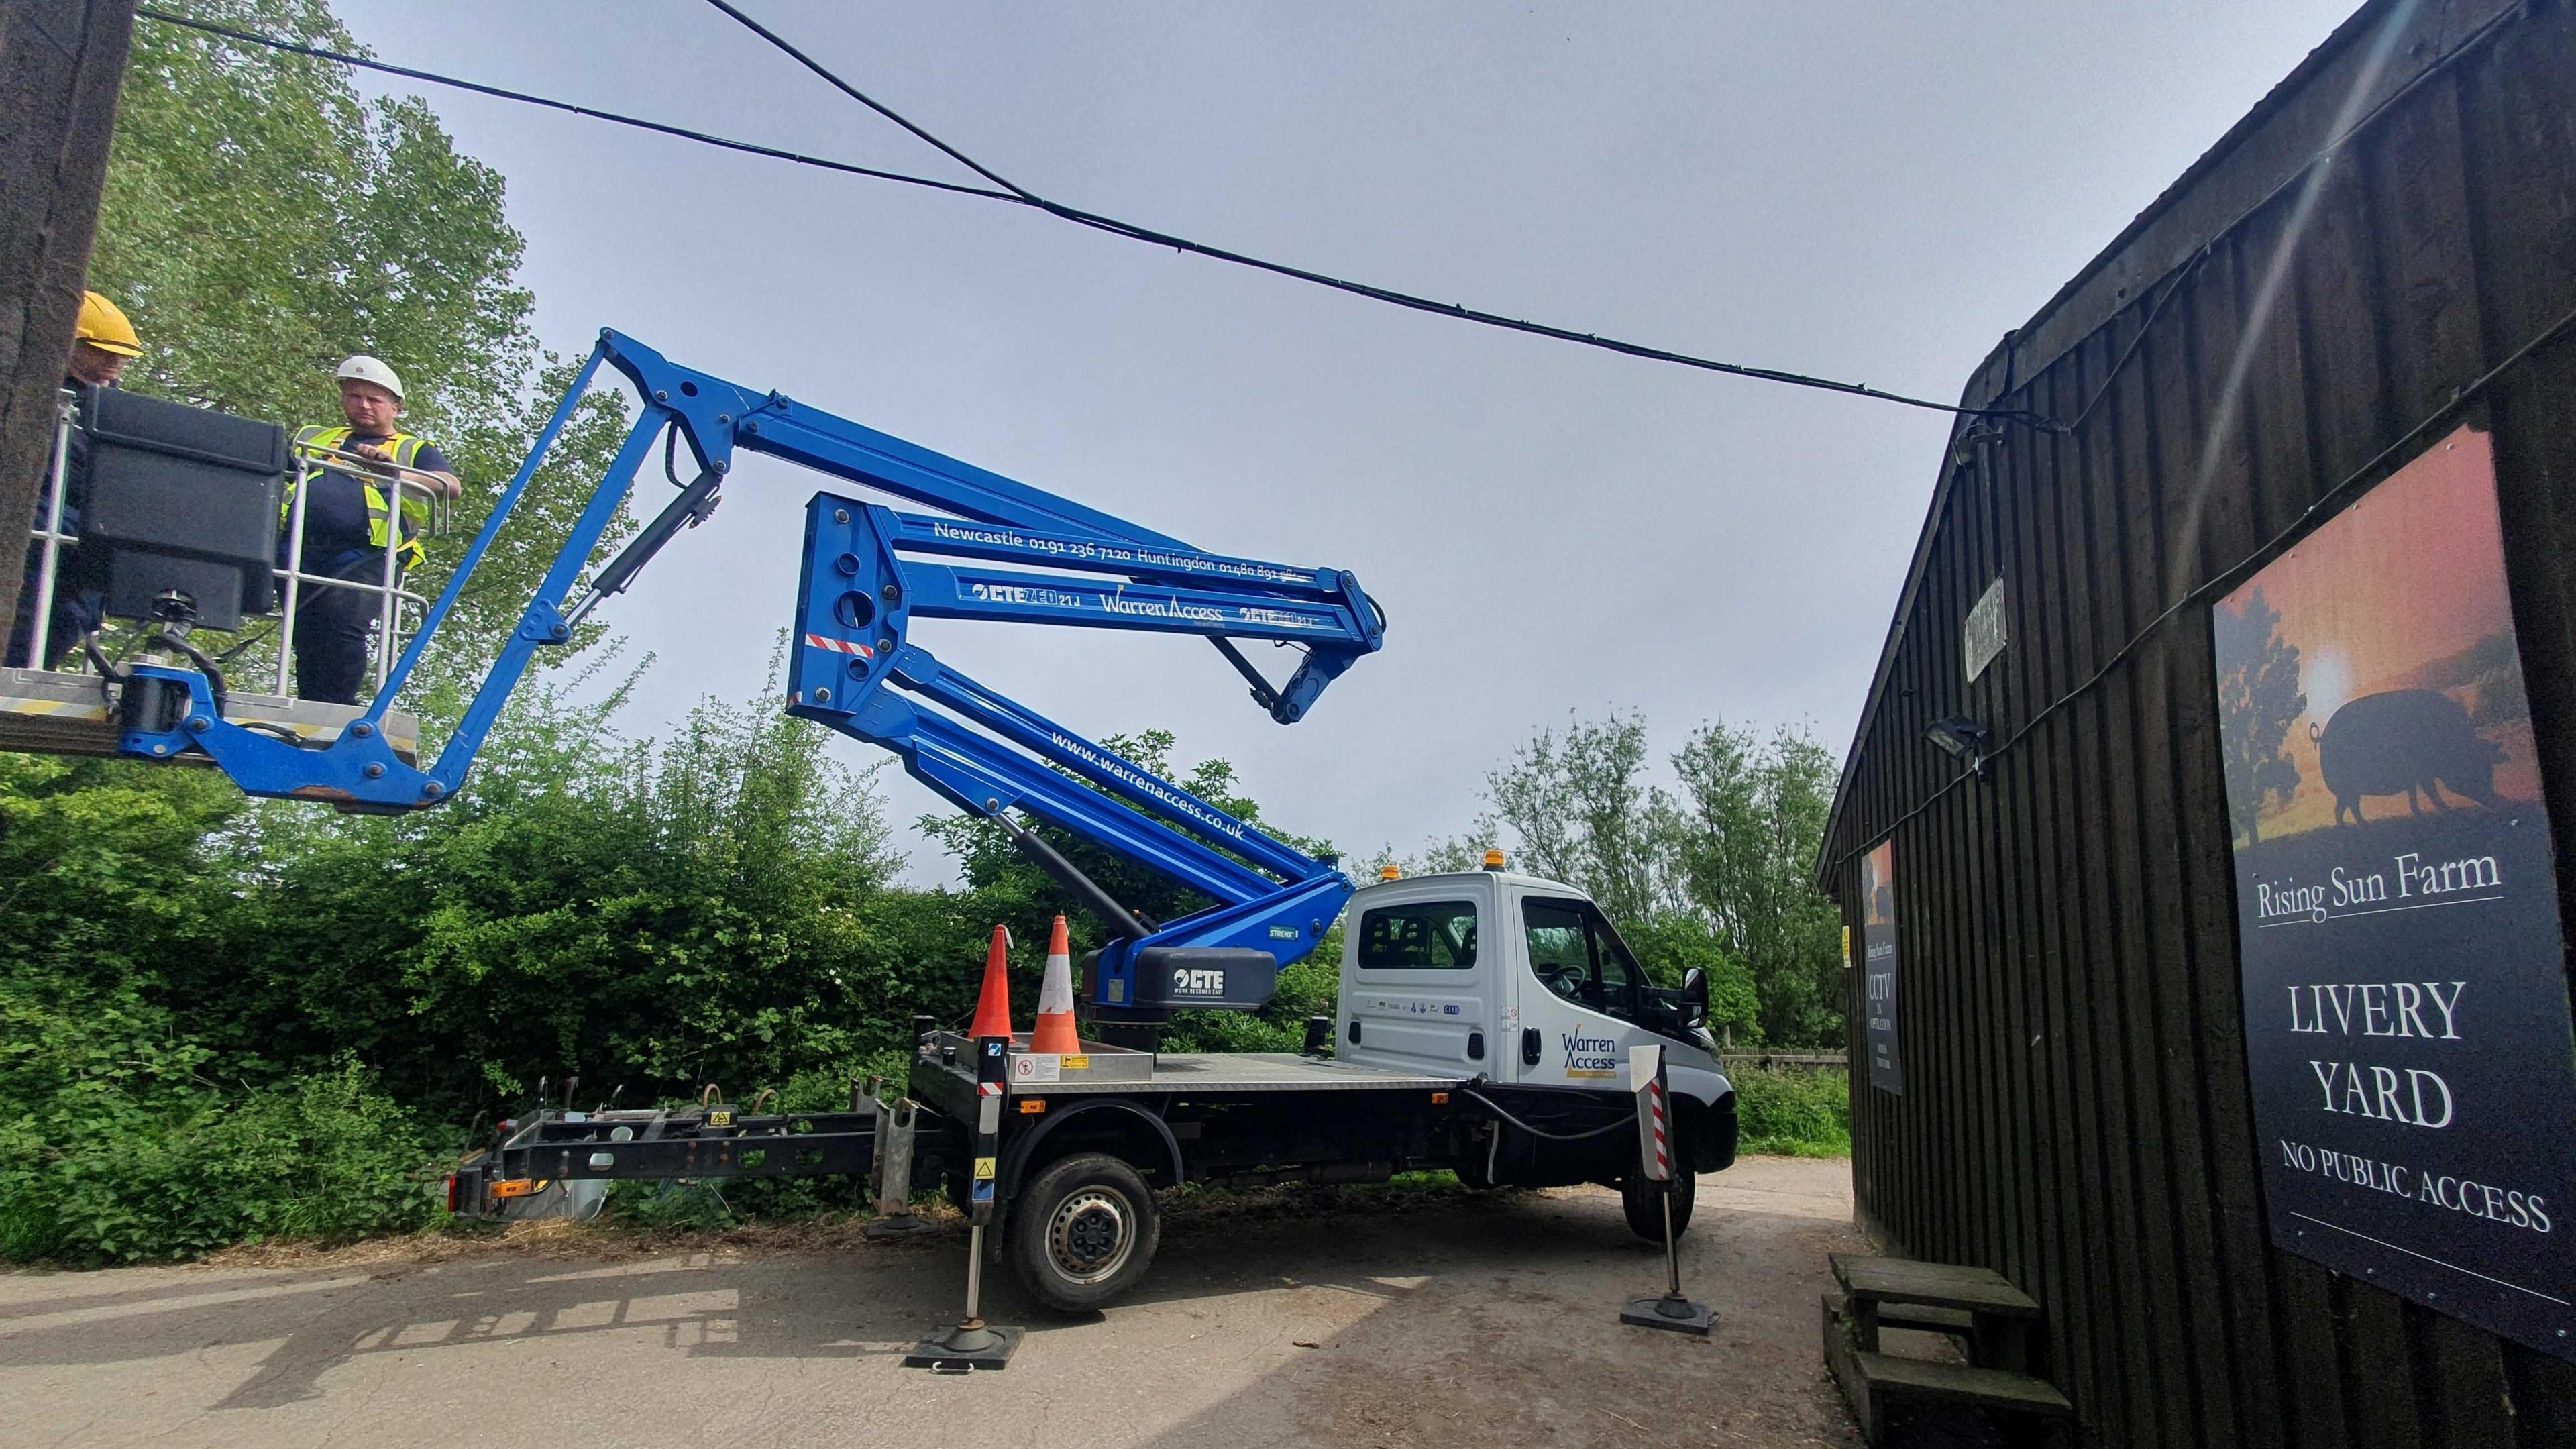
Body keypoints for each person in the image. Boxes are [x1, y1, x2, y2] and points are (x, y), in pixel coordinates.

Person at [280, 354, 461, 704]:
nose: (363, 405)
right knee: (306, 631)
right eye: (354, 396)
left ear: (396, 407)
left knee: (344, 624)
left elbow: (449, 485)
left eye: (374, 399)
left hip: (368, 553)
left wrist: (393, 472)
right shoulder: (316, 437)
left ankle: (338, 706)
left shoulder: (411, 449)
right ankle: (311, 704)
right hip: (302, 547)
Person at [7, 290, 142, 668]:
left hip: (78, 553)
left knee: (67, 619)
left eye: (121, 355)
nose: (114, 363)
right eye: (100, 351)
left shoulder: (114, 416)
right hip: (35, 531)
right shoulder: (25, 396)